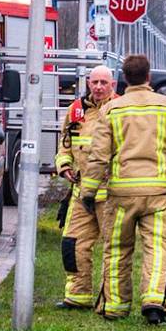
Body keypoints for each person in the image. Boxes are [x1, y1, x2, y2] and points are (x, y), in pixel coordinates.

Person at [81, 54, 166, 324]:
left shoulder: (111, 110)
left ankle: (114, 305)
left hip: (121, 194)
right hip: (158, 193)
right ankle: (155, 301)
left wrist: (88, 192)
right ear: (149, 77)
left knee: (116, 248)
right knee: (158, 247)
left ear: (123, 79)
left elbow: (99, 155)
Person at [54, 65, 118, 309]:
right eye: (95, 82)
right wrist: (64, 165)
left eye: (104, 82)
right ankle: (77, 296)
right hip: (81, 192)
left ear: (112, 84)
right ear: (88, 83)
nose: (99, 87)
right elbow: (65, 144)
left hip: (111, 193)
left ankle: (112, 298)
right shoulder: (76, 110)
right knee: (73, 243)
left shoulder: (119, 108)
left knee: (114, 248)